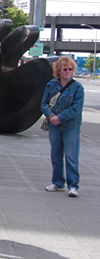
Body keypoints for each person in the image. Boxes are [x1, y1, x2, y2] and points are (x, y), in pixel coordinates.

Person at [41, 56, 84, 198]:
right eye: (64, 69)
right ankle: (58, 183)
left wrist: (60, 118)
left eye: (70, 69)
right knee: (56, 156)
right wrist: (51, 116)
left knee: (71, 156)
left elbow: (76, 109)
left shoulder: (77, 88)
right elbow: (44, 104)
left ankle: (73, 186)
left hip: (71, 126)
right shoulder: (51, 85)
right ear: (58, 70)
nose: (67, 71)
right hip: (54, 125)